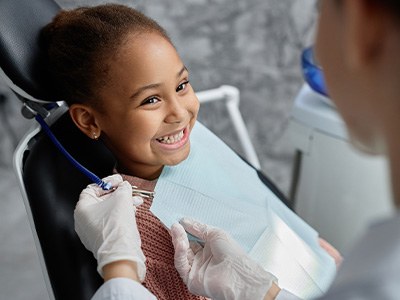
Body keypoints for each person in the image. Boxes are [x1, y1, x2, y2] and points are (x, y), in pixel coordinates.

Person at [74, 0, 400, 299]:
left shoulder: (376, 279)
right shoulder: (138, 221)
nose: (180, 113)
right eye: (151, 100)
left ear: (362, 22)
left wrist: (120, 269)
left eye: (182, 85)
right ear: (88, 120)